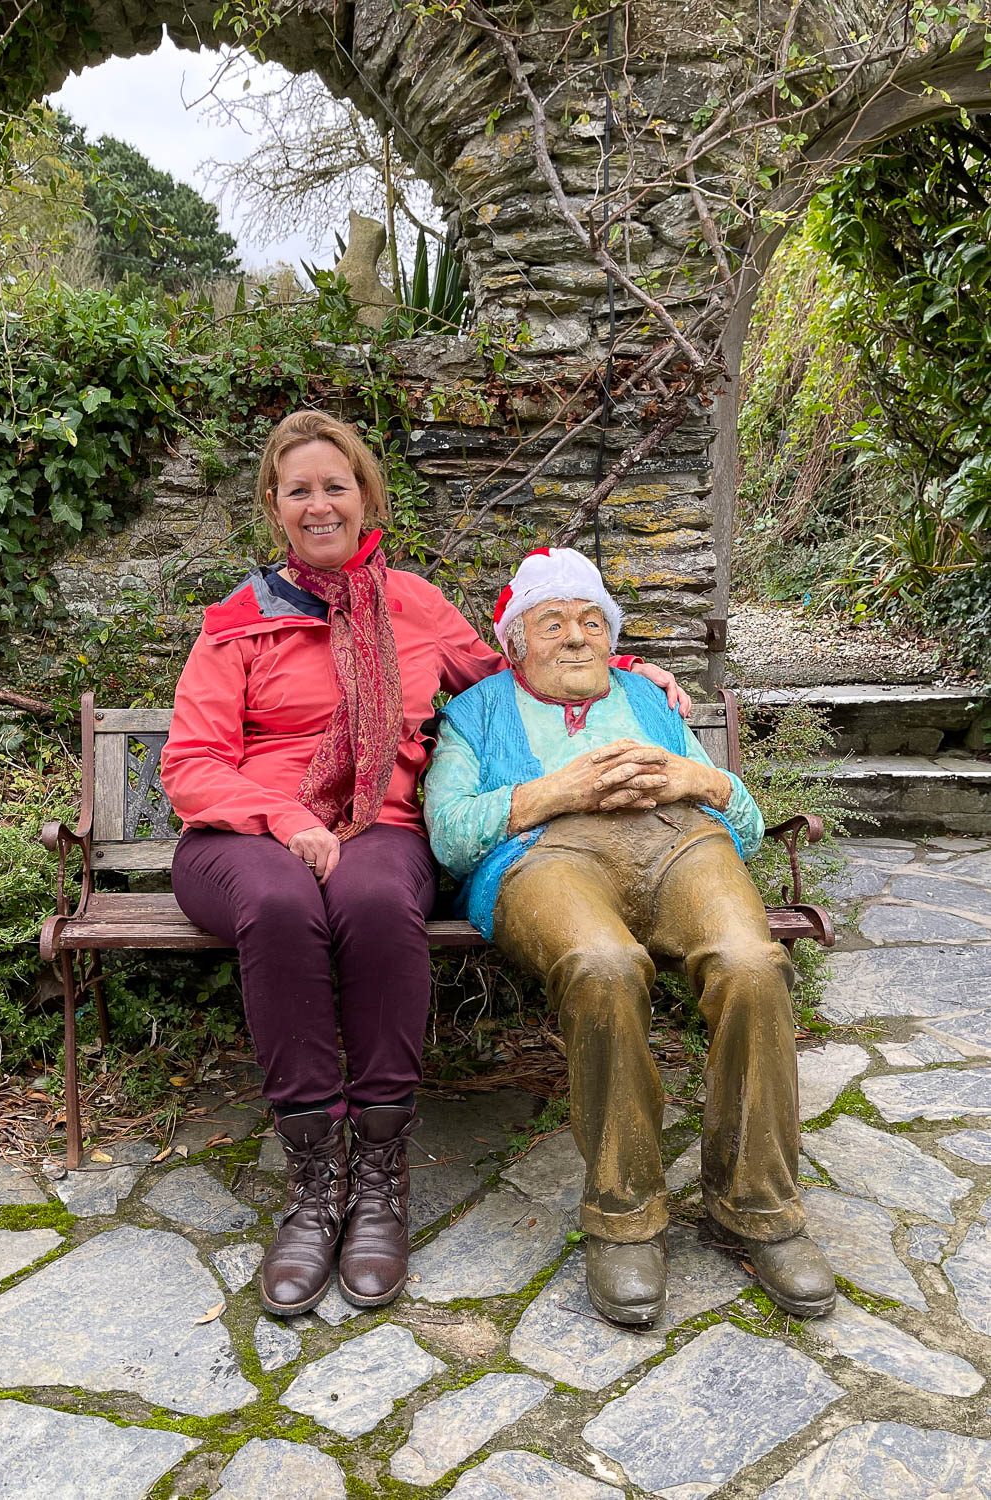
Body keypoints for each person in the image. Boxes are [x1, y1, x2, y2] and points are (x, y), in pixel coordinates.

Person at [159, 414, 689, 1318]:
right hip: (243, 837)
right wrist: (284, 819)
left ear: (366, 496)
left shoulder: (412, 605)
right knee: (283, 906)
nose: (319, 503)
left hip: (379, 826)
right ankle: (313, 1181)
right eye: (299, 490)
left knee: (371, 902)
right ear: (275, 507)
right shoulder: (239, 622)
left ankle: (377, 1177)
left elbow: (508, 673)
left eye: (336, 485)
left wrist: (624, 671)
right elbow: (191, 762)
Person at [423, 547, 837, 1325]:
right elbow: (448, 833)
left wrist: (702, 781)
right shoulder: (475, 710)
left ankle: (758, 1207)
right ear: (514, 643)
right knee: (602, 965)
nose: (576, 636)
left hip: (681, 841)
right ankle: (624, 1216)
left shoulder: (652, 702)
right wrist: (555, 792)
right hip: (545, 855)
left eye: (590, 621)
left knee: (752, 962)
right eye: (552, 623)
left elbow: (742, 826)